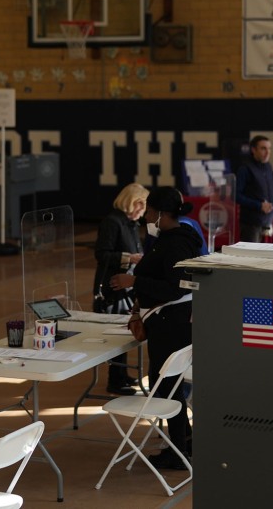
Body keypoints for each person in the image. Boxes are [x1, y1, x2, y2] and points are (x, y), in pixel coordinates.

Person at [109, 186, 200, 471]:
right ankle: (184, 438)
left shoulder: (174, 243)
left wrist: (133, 282)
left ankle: (178, 450)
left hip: (169, 322)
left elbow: (173, 288)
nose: (146, 216)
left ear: (160, 214)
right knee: (169, 383)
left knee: (167, 385)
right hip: (173, 320)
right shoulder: (177, 238)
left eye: (149, 211)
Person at [93, 183, 148, 396]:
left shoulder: (131, 223)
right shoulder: (112, 222)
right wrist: (130, 257)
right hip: (112, 284)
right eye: (141, 206)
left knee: (125, 331)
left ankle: (122, 374)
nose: (142, 212)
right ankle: (114, 380)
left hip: (126, 283)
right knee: (116, 335)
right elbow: (102, 254)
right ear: (132, 202)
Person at [235, 135, 273, 243]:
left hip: (267, 222)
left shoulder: (268, 166)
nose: (267, 152)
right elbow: (236, 196)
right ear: (253, 150)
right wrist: (259, 205)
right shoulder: (245, 169)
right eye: (263, 148)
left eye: (269, 148)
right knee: (251, 258)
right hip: (251, 224)